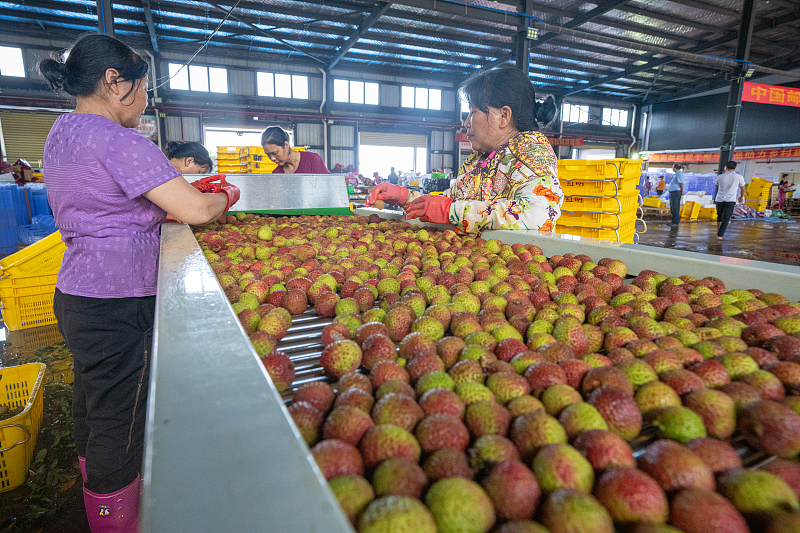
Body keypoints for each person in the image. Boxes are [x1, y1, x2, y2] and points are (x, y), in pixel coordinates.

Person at [38, 34, 239, 533]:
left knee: (92, 402)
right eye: (143, 87)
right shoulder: (118, 139)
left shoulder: (61, 132)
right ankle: (116, 520)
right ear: (114, 82)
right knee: (120, 421)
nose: (146, 100)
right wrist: (227, 195)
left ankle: (93, 498)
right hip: (118, 299)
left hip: (76, 293)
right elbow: (194, 208)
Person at [366, 67, 563, 234]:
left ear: (504, 116)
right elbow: (452, 203)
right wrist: (405, 197)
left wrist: (450, 210)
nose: (466, 122)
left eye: (473, 112)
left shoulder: (531, 152)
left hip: (516, 268)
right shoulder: (481, 159)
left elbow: (537, 214)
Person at [260, 126, 329, 174]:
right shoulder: (277, 173)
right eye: (268, 154)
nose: (272, 158)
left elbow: (327, 189)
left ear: (286, 145)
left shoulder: (313, 160)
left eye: (275, 153)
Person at [715, 160, 745, 240]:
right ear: (735, 168)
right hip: (730, 200)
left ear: (726, 167)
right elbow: (742, 188)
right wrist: (741, 196)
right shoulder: (739, 177)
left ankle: (719, 232)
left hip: (719, 199)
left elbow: (717, 187)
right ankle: (720, 235)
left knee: (720, 216)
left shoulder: (720, 176)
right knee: (726, 218)